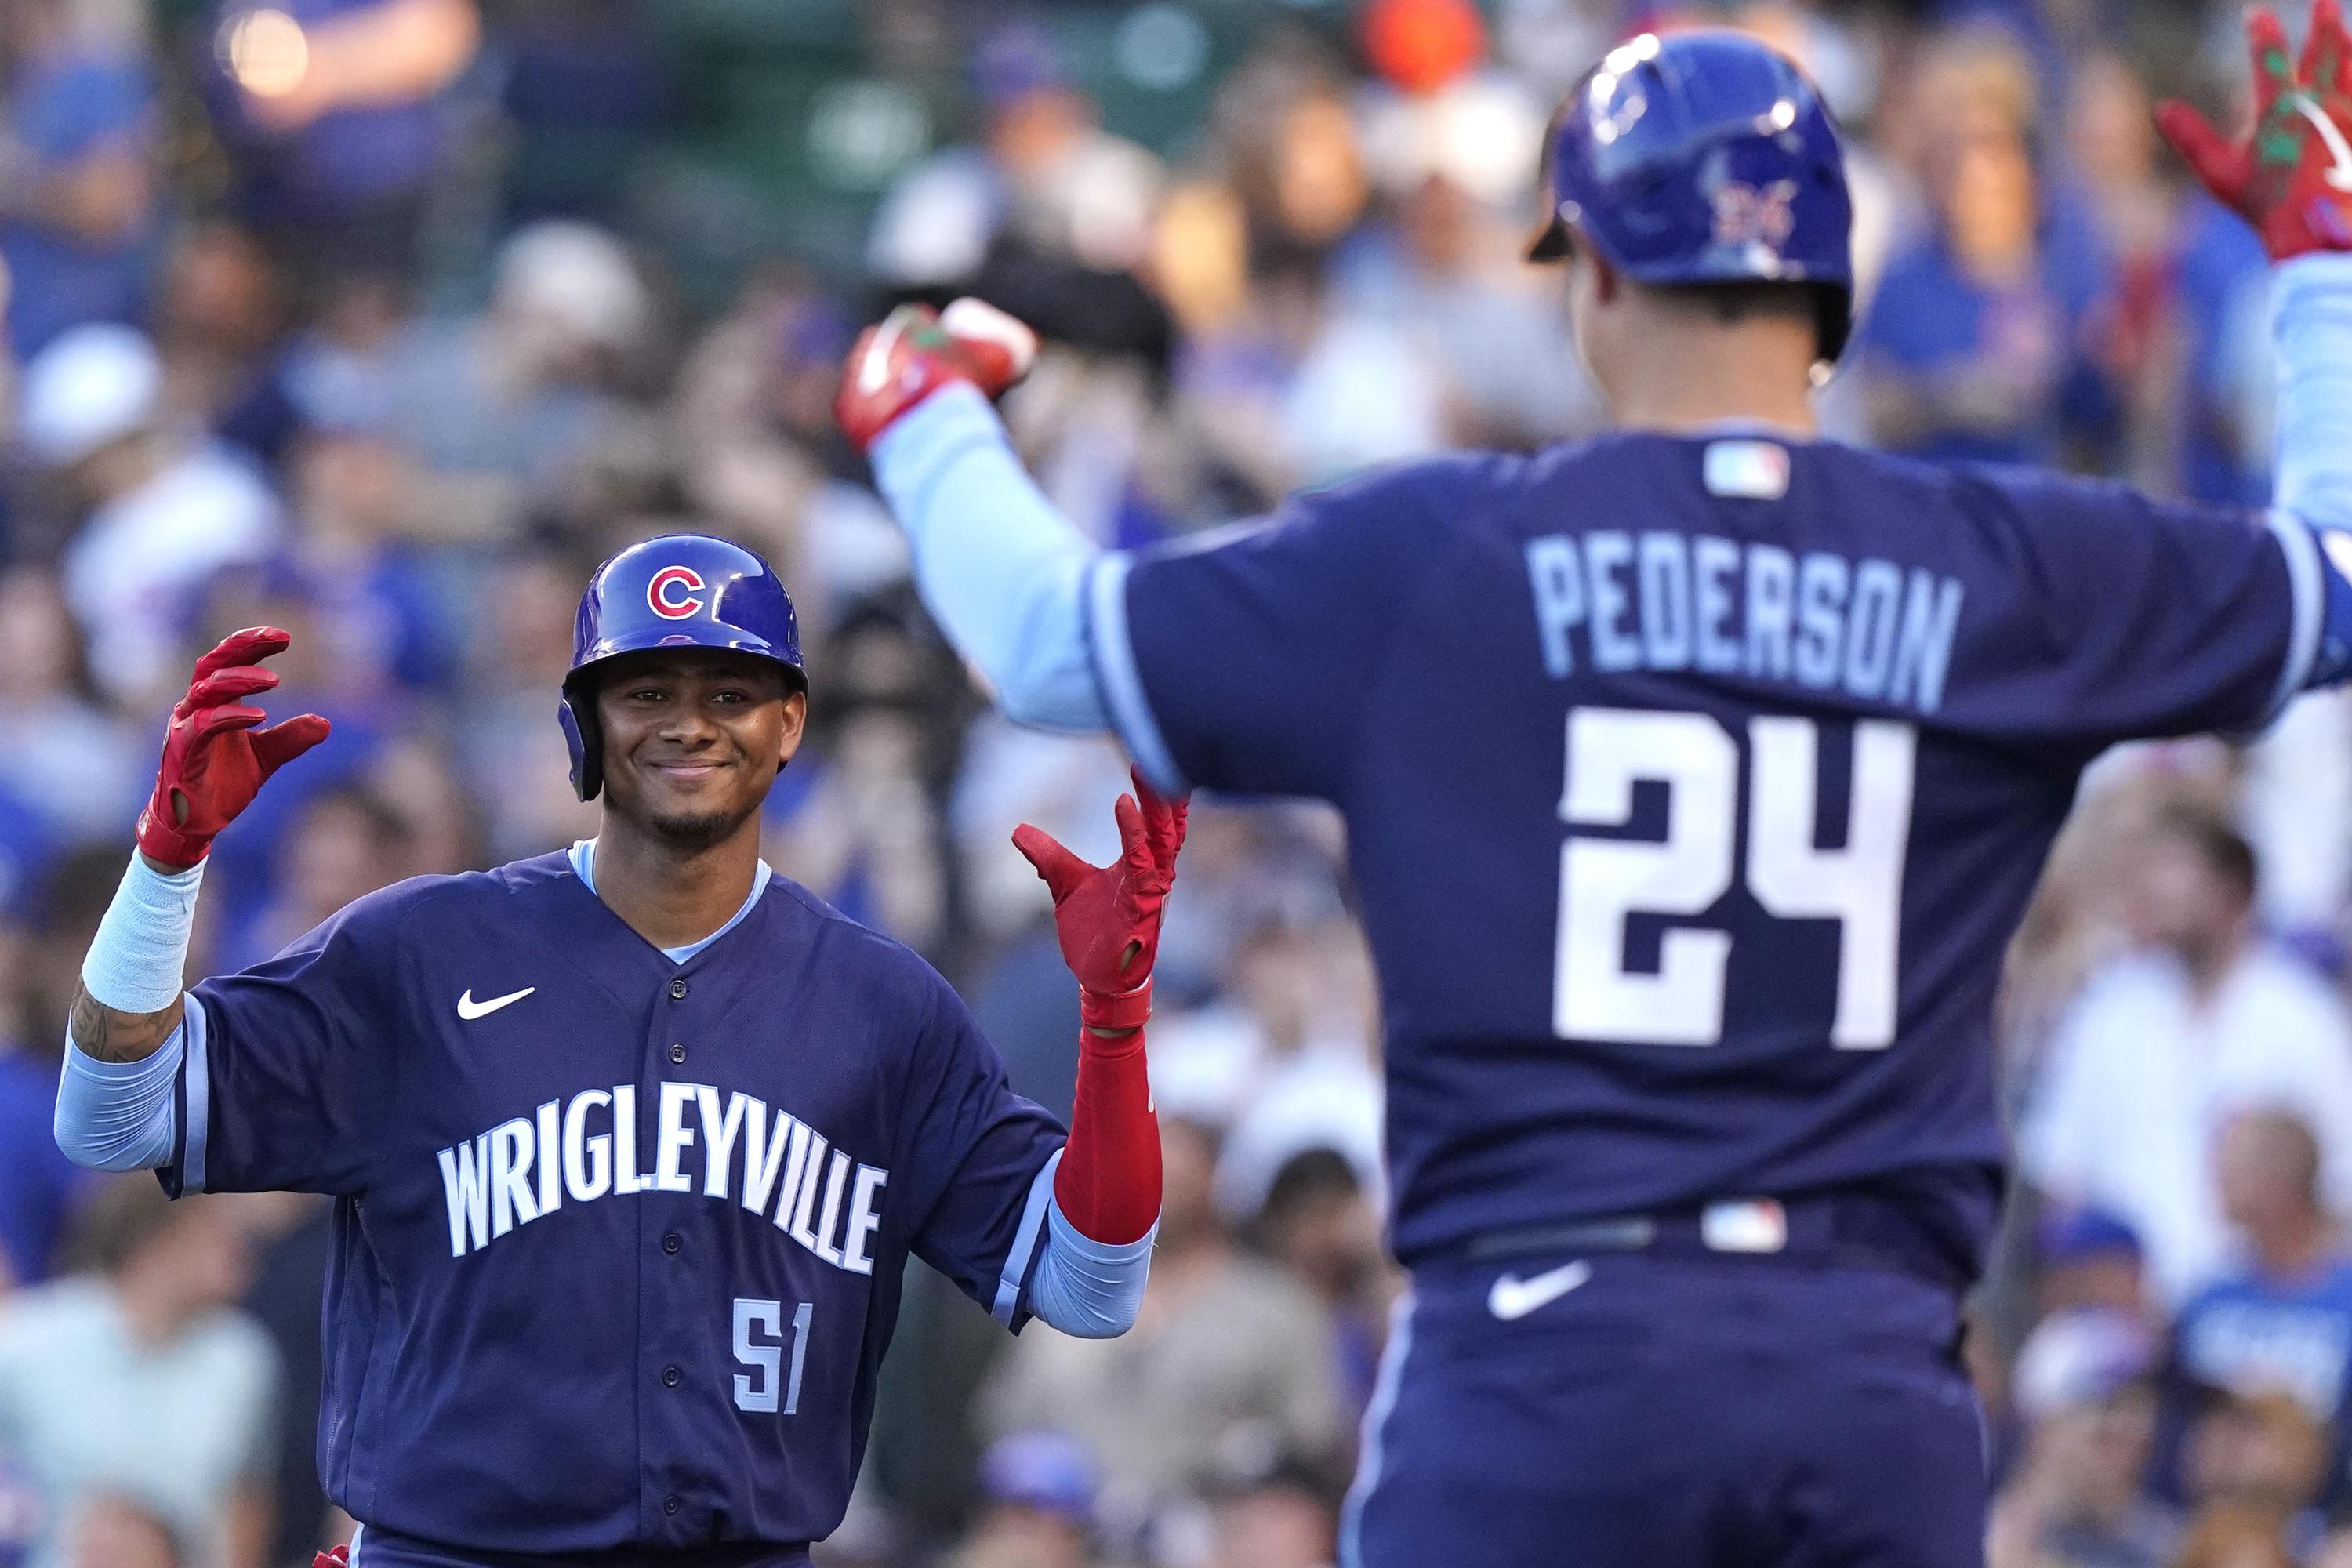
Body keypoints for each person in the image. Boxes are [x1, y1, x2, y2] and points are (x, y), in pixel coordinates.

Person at [837, 10, 2352, 1565]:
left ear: (1600, 271)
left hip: (1543, 1354)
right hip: (1870, 1371)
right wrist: (2323, 262)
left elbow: (1041, 641)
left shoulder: (1438, 553)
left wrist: (919, 409)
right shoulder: (2007, 558)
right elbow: (2342, 580)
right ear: (1828, 290)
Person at [49, 532, 1189, 1568]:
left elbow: (1086, 1284)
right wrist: (168, 858)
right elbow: (111, 1114)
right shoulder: (423, 951)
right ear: (582, 726)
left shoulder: (882, 1003)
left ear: (791, 723)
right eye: (645, 689)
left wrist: (1115, 1020)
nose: (688, 722)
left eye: (730, 690)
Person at [2020, 808, 2352, 1304]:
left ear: (2233, 890)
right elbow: (2060, 1175)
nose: (2157, 890)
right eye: (2148, 873)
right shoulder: (2108, 1009)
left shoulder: (2302, 1016)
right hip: (2121, 1313)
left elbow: (2339, 1188)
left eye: (2176, 870)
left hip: (2255, 1316)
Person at [0, 1177, 279, 1568]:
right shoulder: (28, 1342)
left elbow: (246, 1504)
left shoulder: (244, 1359)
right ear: (157, 1243)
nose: (239, 1253)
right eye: (214, 1233)